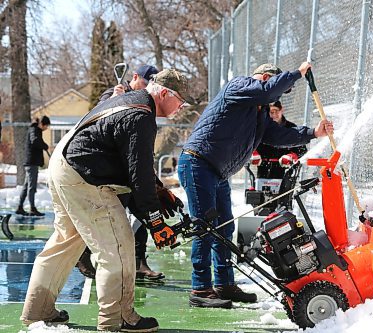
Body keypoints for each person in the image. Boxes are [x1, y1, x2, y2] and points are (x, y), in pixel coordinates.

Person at [20, 69, 189, 332]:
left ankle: (37, 309)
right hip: (84, 176)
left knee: (65, 241)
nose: (182, 107)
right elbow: (138, 174)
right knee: (118, 248)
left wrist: (154, 191)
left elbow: (130, 164)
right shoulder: (142, 116)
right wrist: (155, 222)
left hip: (64, 164)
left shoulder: (130, 102)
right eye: (181, 100)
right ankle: (119, 318)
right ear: (165, 93)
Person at [178, 62, 333, 309]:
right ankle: (200, 288)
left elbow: (278, 135)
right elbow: (267, 91)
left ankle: (224, 283)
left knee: (224, 229)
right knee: (205, 228)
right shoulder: (239, 85)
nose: (276, 98)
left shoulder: (259, 113)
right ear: (263, 78)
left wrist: (313, 133)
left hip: (217, 172)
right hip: (199, 163)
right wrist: (297, 74)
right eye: (274, 88)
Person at [75, 64, 167, 281]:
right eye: (144, 83)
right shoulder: (115, 93)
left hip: (126, 170)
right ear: (134, 77)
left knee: (139, 216)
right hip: (109, 173)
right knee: (107, 223)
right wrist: (111, 99)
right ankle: (85, 253)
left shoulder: (144, 104)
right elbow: (95, 117)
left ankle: (139, 263)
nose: (146, 88)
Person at [253, 100, 307, 179]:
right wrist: (254, 152)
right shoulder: (262, 127)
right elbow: (253, 143)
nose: (274, 114)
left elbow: (302, 149)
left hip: (285, 171)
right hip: (263, 168)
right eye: (271, 112)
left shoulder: (291, 128)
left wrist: (291, 156)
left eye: (276, 111)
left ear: (282, 110)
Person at [15, 116, 51, 217]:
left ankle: (20, 207)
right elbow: (35, 141)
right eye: (46, 126)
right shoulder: (34, 130)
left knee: (27, 186)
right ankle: (32, 208)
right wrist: (45, 146)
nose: (46, 128)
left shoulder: (35, 130)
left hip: (31, 162)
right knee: (32, 186)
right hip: (32, 163)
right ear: (42, 124)